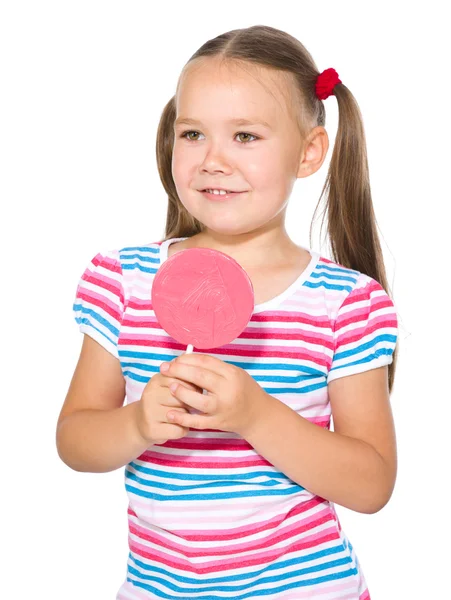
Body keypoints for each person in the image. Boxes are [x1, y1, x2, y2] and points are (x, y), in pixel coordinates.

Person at [57, 24, 399, 600]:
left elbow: (371, 485)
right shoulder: (124, 282)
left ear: (309, 152)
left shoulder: (347, 304)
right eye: (193, 133)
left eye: (245, 135)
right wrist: (137, 423)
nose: (213, 160)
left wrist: (257, 416)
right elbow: (75, 439)